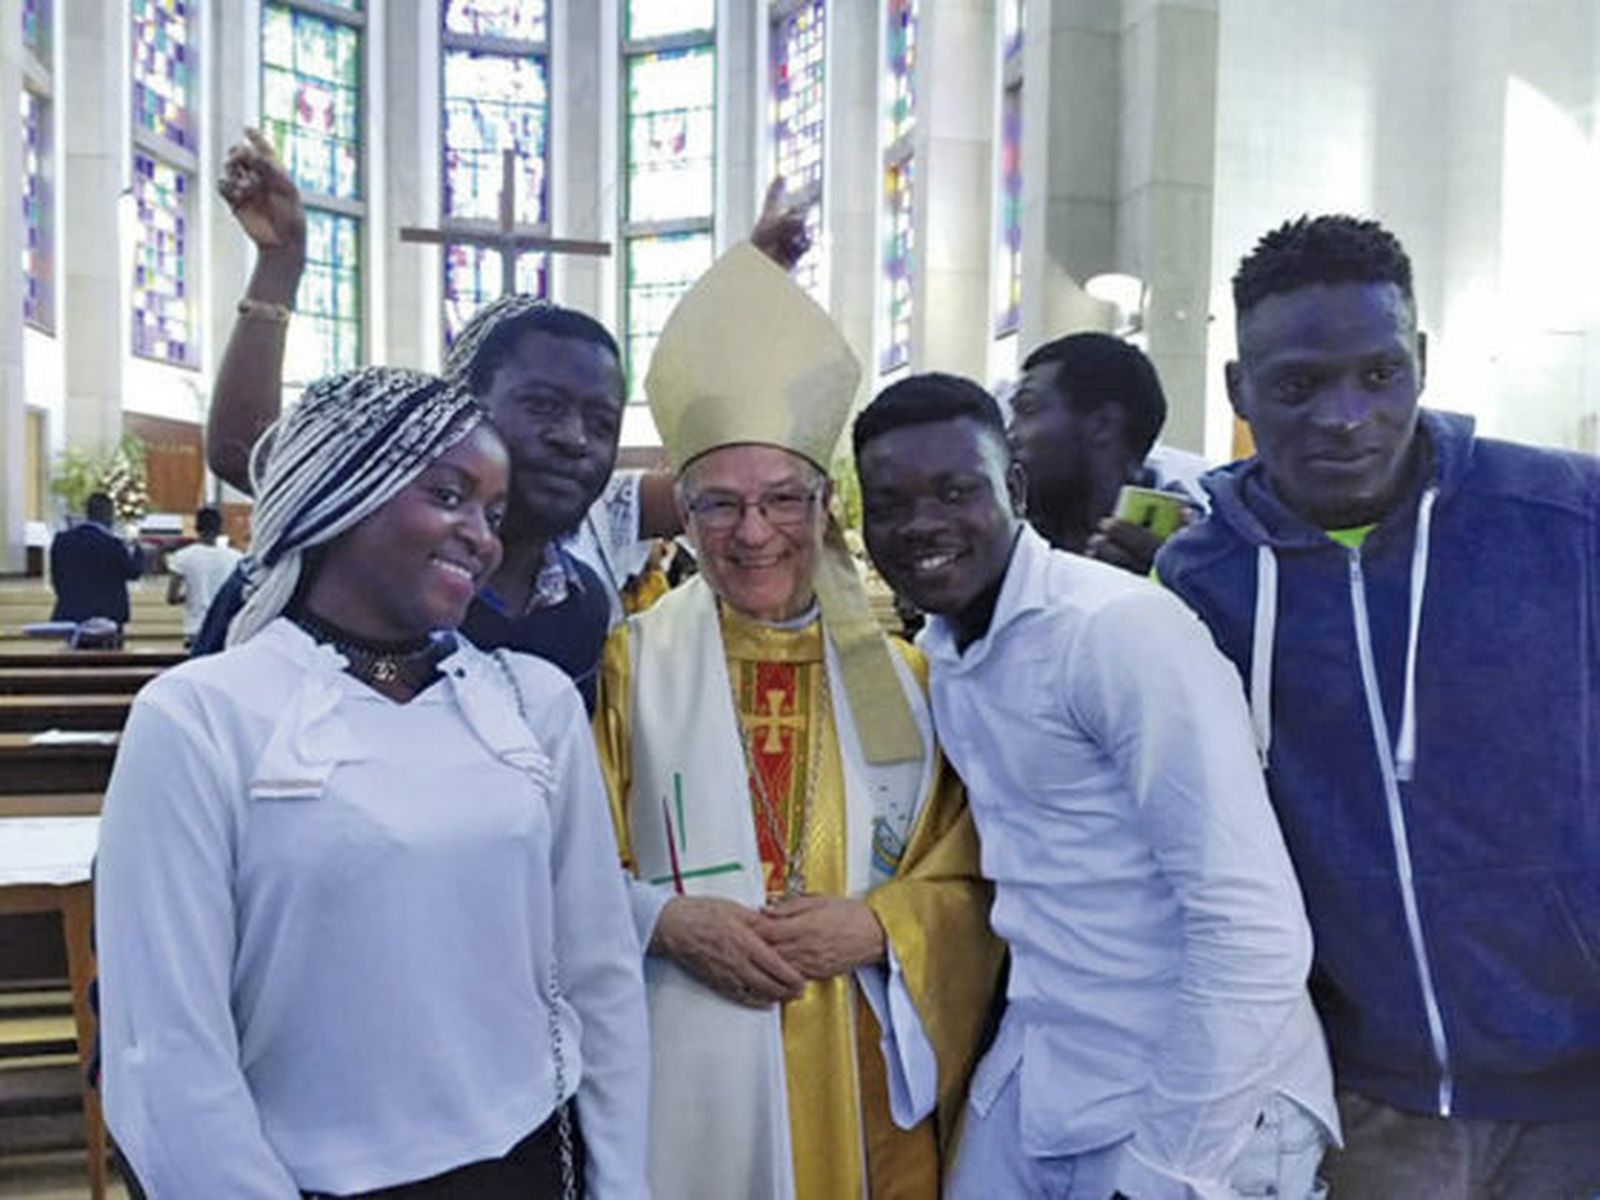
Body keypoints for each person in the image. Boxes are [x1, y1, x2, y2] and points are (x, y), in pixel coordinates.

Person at [95, 366, 649, 1199]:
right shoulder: (202, 715)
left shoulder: (529, 705)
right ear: (343, 489)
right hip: (304, 1179)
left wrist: (620, 1181)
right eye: (450, 495)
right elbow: (168, 1047)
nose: (483, 535)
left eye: (493, 513)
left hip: (531, 1162)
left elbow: (598, 971)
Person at [1155, 214, 1600, 1198]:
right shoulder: (1198, 582)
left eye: (1377, 373)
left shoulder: (1566, 517)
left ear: (1422, 362)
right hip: (1369, 1103)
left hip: (1581, 1096)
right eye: (1297, 385)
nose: (1343, 416)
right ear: (1239, 391)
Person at [854, 373, 1336, 1200]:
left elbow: (1254, 930)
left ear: (1012, 488)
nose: (920, 523)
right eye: (889, 502)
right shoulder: (949, 649)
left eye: (954, 490)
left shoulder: (1113, 633)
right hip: (1053, 1075)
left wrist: (1167, 1172)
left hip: (1200, 1098)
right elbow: (1041, 890)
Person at [593, 245, 1002, 1200]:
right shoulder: (628, 667)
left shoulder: (910, 683)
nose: (753, 532)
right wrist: (665, 920)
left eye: (782, 499)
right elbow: (563, 867)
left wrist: (878, 928)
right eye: (720, 505)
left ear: (824, 506)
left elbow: (978, 875)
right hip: (688, 1070)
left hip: (865, 1074)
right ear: (681, 516)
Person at [1007, 333, 1206, 575]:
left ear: (1103, 424)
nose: (1010, 434)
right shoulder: (1005, 549)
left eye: (1027, 408)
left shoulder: (1200, 561)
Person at [49, 491, 144, 627]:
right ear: (108, 514)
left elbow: (56, 578)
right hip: (107, 616)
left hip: (70, 612)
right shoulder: (112, 544)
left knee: (72, 648)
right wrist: (138, 551)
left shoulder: (62, 541)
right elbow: (133, 572)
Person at [165, 505, 241, 645]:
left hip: (195, 627)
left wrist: (191, 595)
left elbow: (171, 598)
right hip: (225, 627)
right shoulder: (236, 558)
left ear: (196, 528)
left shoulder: (183, 556)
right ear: (220, 529)